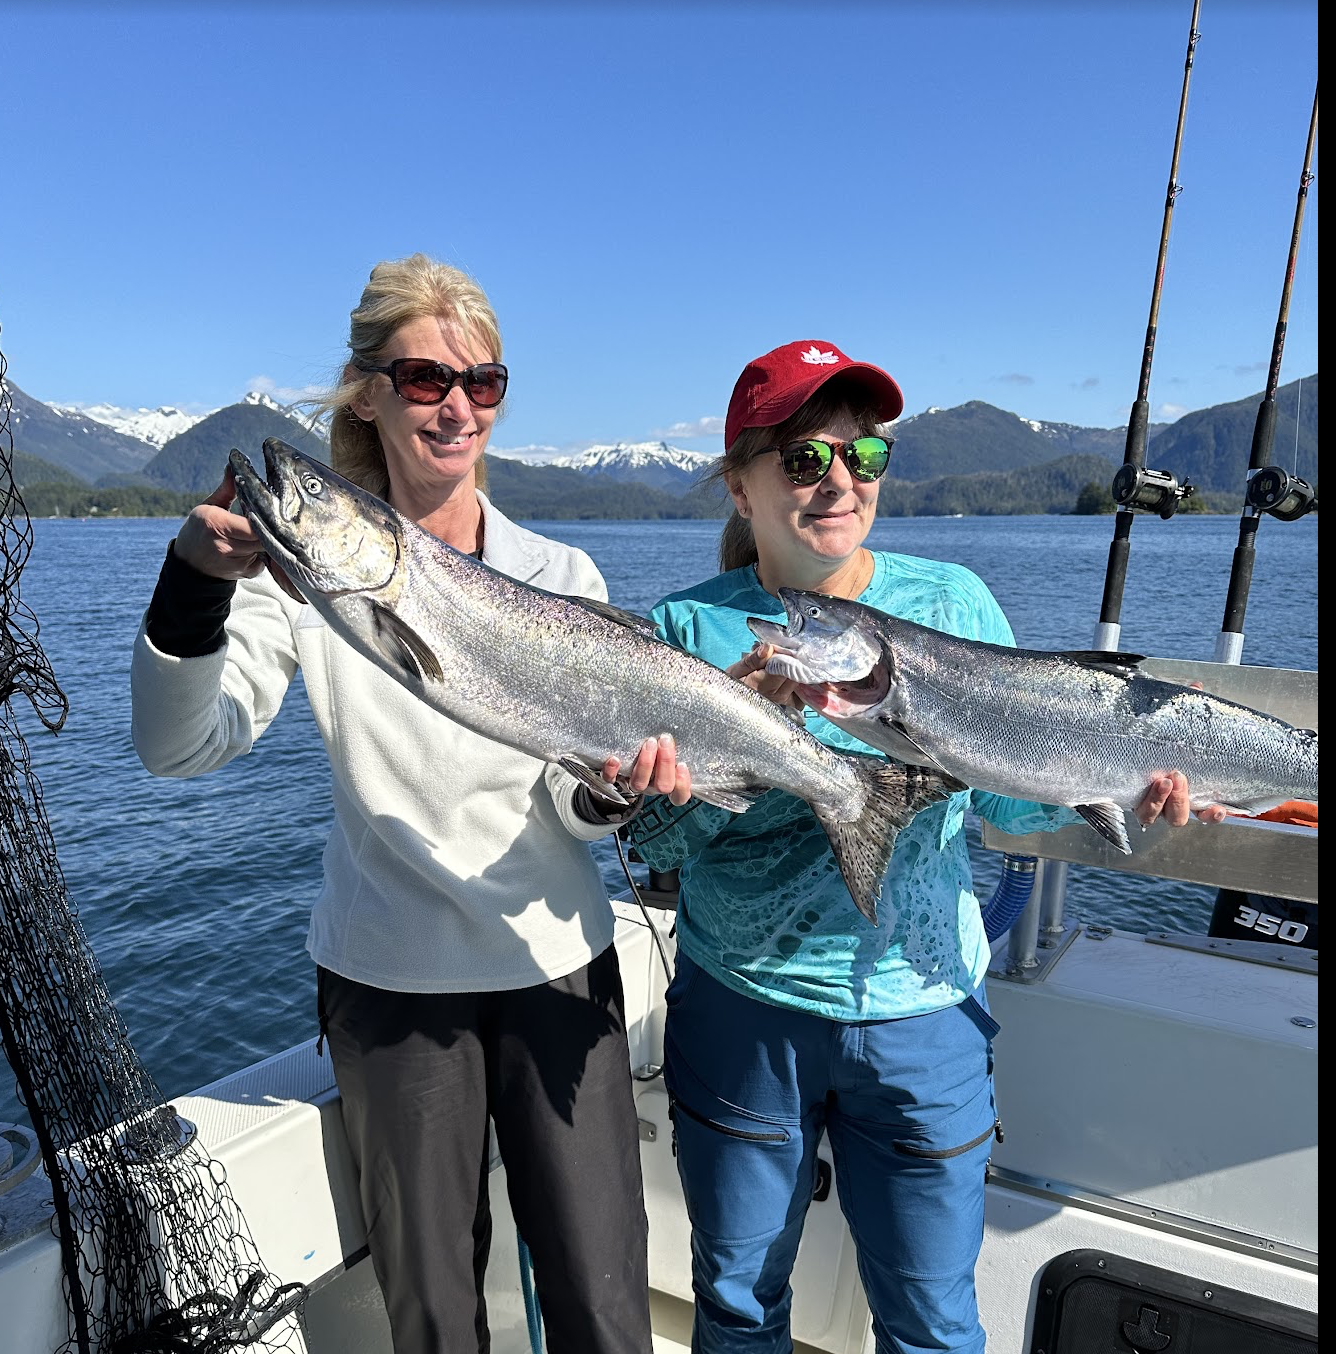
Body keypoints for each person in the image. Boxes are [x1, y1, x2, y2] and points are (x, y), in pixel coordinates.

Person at [590, 339, 1225, 1354]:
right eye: (802, 458)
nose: (837, 480)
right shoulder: (685, 628)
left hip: (925, 1014)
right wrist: (695, 781)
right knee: (738, 1307)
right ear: (740, 485)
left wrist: (1122, 797)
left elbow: (1008, 811)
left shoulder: (951, 602)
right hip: (745, 1011)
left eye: (862, 457)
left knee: (932, 1324)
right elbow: (658, 836)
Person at [128, 253, 656, 1354]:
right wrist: (194, 580)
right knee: (432, 1319)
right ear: (368, 391)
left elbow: (571, 798)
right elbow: (180, 748)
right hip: (392, 983)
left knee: (605, 1308)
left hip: (558, 963)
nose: (456, 405)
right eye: (423, 379)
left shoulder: (560, 581)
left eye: (483, 382)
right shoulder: (302, 580)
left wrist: (610, 795)